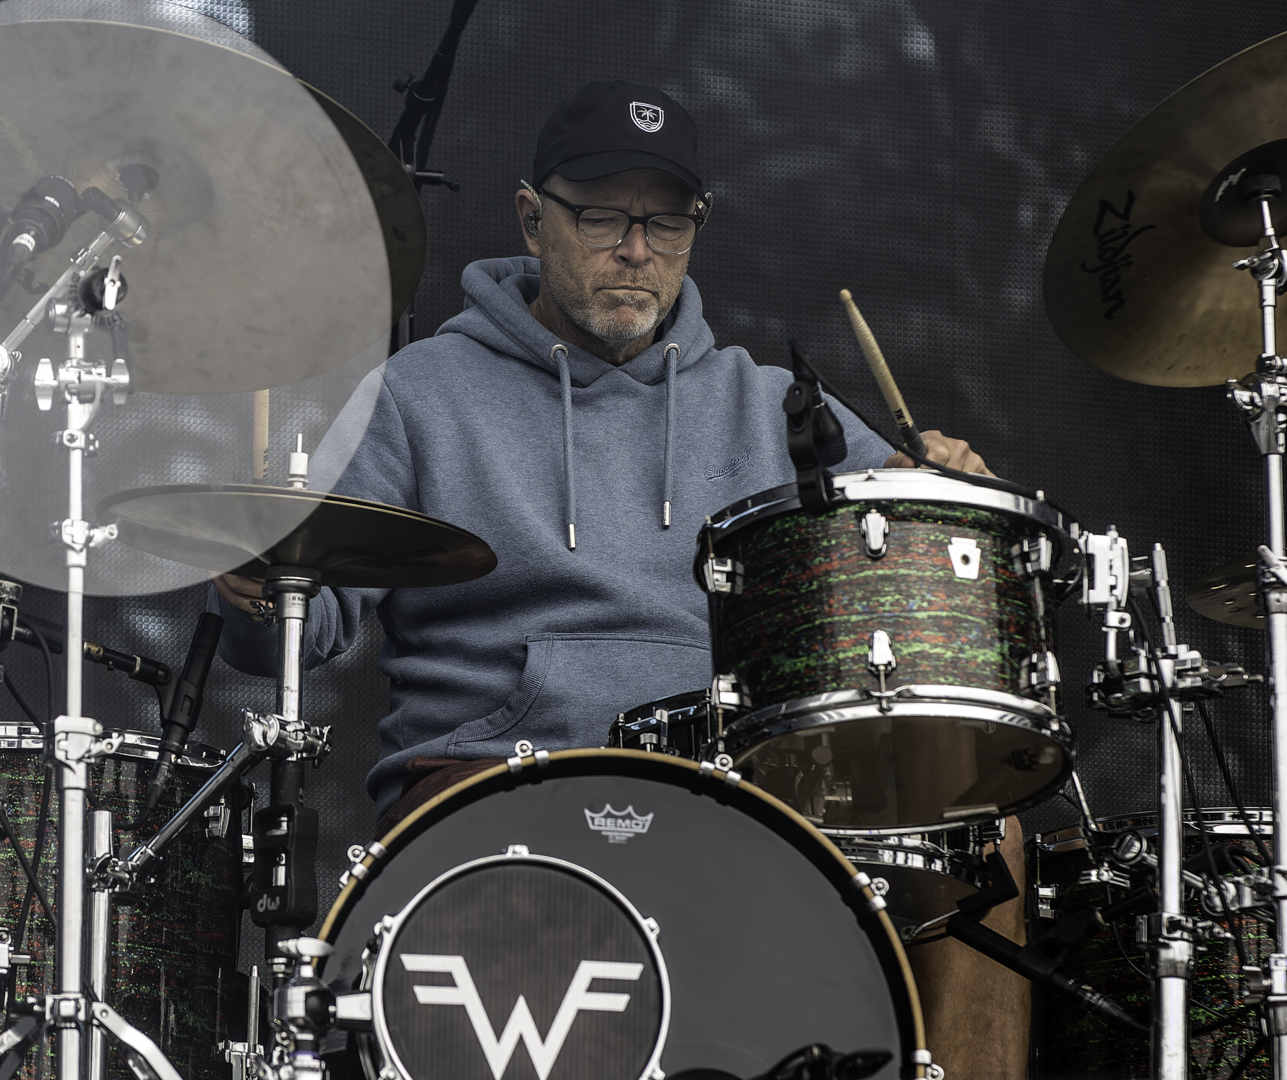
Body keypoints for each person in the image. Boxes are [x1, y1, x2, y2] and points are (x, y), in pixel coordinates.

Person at [210, 79, 987, 827]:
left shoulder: (777, 408)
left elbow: (918, 574)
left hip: (734, 801)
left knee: (976, 824)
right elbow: (292, 629)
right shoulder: (417, 394)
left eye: (667, 223)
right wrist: (254, 584)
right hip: (485, 789)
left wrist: (945, 496)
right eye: (602, 218)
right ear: (531, 219)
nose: (637, 251)